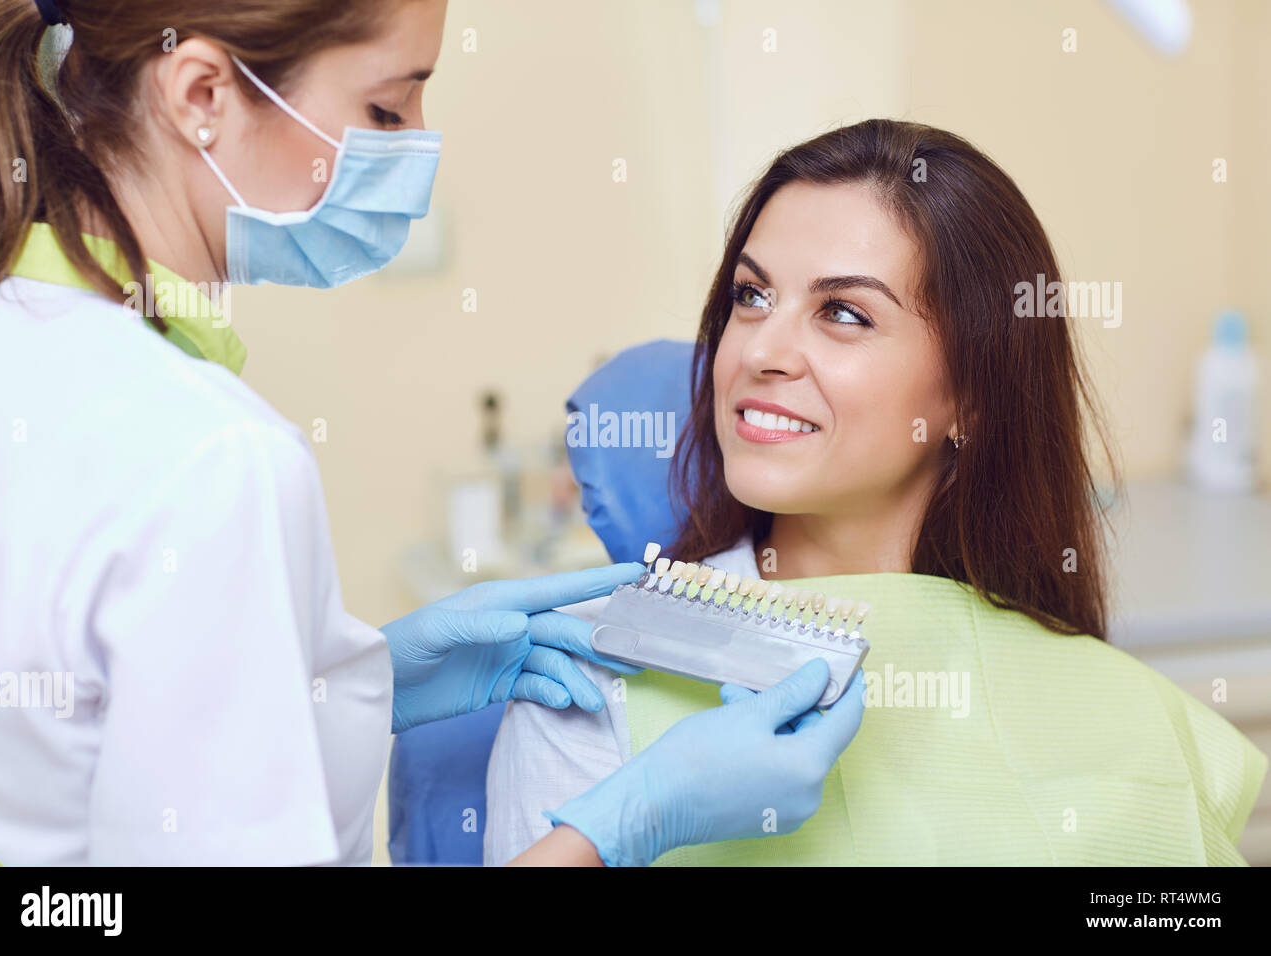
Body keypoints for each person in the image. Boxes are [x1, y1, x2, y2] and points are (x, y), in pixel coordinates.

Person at [0, 0, 866, 867]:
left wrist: (358, 678)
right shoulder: (213, 456)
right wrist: (623, 826)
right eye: (386, 108)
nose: (416, 156)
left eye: (846, 314)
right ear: (202, 95)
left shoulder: (16, 346)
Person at [484, 119, 1268, 866]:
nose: (761, 349)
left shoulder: (1119, 712)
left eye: (844, 313)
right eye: (751, 296)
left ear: (973, 395)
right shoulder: (587, 679)